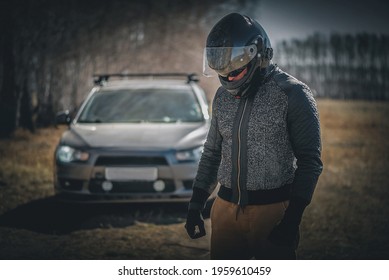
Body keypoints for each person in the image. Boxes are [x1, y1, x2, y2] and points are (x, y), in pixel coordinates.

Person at [184, 12, 323, 260]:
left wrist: (292, 220)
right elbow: (212, 152)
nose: (226, 77)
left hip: (272, 213)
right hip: (224, 210)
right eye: (221, 69)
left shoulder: (293, 94)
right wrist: (196, 203)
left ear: (257, 56)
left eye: (233, 70)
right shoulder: (222, 96)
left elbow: (310, 161)